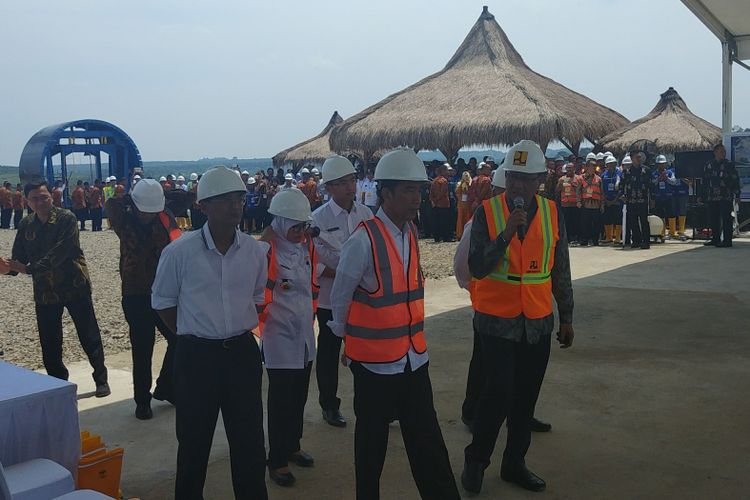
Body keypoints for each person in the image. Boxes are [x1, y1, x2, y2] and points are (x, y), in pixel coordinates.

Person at [330, 148, 460, 500]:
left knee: (428, 443)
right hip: (374, 365)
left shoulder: (411, 233)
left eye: (418, 190)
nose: (416, 198)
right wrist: (346, 341)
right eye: (408, 191)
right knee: (371, 448)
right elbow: (340, 298)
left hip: (413, 358)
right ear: (385, 194)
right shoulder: (363, 240)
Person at [461, 140, 574, 495]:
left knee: (526, 397)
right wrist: (507, 232)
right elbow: (477, 266)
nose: (517, 186)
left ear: (541, 178)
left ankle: (514, 464)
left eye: (525, 179)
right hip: (496, 321)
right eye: (512, 177)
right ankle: (477, 460)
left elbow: (561, 269)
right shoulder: (487, 212)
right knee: (496, 393)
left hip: (538, 321)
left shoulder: (553, 212)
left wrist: (566, 315)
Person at [151, 166, 269, 499]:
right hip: (196, 357)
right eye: (225, 200)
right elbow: (163, 303)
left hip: (242, 355)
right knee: (193, 443)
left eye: (239, 198)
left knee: (249, 443)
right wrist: (192, 334)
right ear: (203, 206)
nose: (236, 206)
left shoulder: (254, 252)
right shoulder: (179, 253)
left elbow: (257, 298)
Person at [0, 181, 110, 397]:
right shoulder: (26, 224)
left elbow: (61, 253)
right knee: (50, 341)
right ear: (27, 201)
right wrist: (8, 268)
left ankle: (101, 379)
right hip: (45, 292)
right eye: (34, 198)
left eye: (43, 197)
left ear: (52, 196)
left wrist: (27, 269)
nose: (40, 202)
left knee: (89, 335)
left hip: (74, 285)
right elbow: (19, 256)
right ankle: (59, 385)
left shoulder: (66, 218)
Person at [107, 179, 193, 420]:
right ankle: (142, 401)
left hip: (165, 290)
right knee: (142, 348)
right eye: (144, 209)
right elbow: (111, 203)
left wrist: (160, 193)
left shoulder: (163, 215)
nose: (148, 215)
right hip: (135, 293)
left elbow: (188, 198)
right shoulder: (122, 218)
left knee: (178, 338)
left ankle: (166, 387)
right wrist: (133, 196)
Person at [257, 188, 319, 488]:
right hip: (278, 334)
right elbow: (258, 292)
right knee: (281, 400)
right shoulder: (267, 249)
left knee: (299, 395)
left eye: (303, 226)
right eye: (295, 226)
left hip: (304, 332)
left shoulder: (306, 246)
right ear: (280, 223)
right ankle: (277, 459)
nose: (300, 232)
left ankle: (293, 445)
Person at [311, 155, 373, 429]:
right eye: (341, 183)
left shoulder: (366, 214)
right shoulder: (317, 219)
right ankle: (329, 404)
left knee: (366, 349)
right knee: (328, 353)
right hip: (329, 299)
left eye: (351, 180)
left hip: (362, 297)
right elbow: (314, 262)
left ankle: (374, 401)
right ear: (329, 188)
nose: (349, 187)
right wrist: (345, 275)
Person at [702, 143, 740, 247]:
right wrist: (702, 195)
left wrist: (737, 195)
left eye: (724, 152)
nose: (723, 153)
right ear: (715, 152)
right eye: (721, 151)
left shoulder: (729, 165)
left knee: (727, 219)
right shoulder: (708, 165)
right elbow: (705, 181)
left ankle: (727, 241)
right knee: (714, 219)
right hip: (712, 197)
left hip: (725, 196)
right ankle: (715, 239)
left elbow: (735, 180)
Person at [621, 151, 651, 249]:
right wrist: (622, 195)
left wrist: (652, 199)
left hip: (643, 200)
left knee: (644, 222)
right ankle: (636, 241)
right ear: (632, 158)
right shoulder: (627, 171)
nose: (639, 159)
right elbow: (622, 184)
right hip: (631, 201)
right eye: (637, 157)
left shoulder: (646, 170)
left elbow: (652, 185)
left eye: (640, 157)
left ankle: (646, 242)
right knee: (633, 222)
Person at [577, 158, 603, 246]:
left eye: (595, 166)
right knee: (585, 224)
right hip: (585, 204)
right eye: (592, 166)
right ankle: (584, 240)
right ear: (587, 167)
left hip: (596, 205)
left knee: (596, 224)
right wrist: (578, 202)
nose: (593, 168)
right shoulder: (581, 178)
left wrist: (602, 205)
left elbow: (602, 193)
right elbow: (578, 191)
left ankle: (595, 241)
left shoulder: (599, 179)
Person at [651, 155, 678, 239]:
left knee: (671, 214)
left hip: (669, 196)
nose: (661, 165)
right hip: (659, 197)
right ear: (656, 164)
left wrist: (667, 179)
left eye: (662, 164)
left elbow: (674, 182)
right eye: (659, 164)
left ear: (665, 164)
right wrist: (658, 179)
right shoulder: (654, 174)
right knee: (660, 215)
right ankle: (662, 232)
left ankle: (672, 232)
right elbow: (652, 183)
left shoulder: (670, 172)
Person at [556, 163, 580, 245]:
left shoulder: (578, 178)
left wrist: (573, 185)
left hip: (575, 205)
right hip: (565, 205)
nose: (569, 170)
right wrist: (560, 184)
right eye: (568, 168)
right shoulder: (562, 179)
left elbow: (581, 190)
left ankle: (575, 238)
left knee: (575, 222)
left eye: (571, 168)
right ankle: (568, 238)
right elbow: (557, 190)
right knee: (566, 223)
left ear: (574, 169)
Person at [601, 156, 623, 245]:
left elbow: (621, 188)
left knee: (617, 219)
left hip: (617, 201)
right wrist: (606, 200)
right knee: (607, 219)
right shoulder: (603, 175)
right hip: (607, 201)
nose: (611, 166)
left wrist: (614, 200)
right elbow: (601, 189)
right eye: (609, 164)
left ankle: (617, 237)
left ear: (615, 164)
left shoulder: (619, 174)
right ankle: (608, 237)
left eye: (612, 164)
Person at [429, 163, 453, 242]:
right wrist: (436, 200)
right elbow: (443, 192)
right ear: (443, 171)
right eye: (447, 170)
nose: (448, 172)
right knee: (445, 221)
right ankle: (446, 237)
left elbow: (431, 193)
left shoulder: (434, 181)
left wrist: (433, 201)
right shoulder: (444, 181)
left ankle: (437, 237)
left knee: (436, 221)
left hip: (436, 205)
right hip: (443, 204)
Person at [455, 171, 473, 239]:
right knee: (460, 219)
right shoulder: (459, 184)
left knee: (468, 218)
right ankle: (460, 234)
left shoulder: (471, 183)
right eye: (464, 176)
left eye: (467, 176)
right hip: (461, 204)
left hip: (468, 204)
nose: (466, 177)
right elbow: (457, 193)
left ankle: (468, 234)